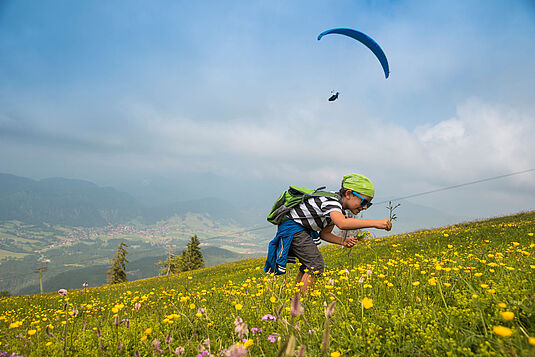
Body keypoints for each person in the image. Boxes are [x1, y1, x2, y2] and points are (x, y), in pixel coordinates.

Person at [265, 174, 392, 294]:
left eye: (368, 205)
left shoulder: (337, 209)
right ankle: (302, 303)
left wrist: (342, 241)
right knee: (315, 265)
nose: (365, 207)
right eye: (364, 202)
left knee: (309, 264)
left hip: (300, 228)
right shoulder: (332, 202)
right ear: (348, 194)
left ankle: (296, 298)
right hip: (292, 227)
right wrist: (375, 223)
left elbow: (324, 234)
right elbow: (342, 223)